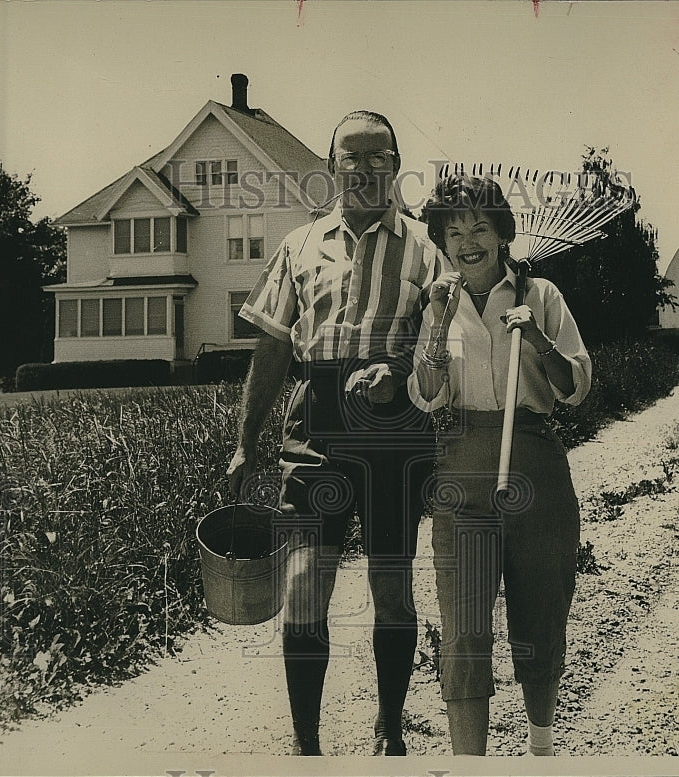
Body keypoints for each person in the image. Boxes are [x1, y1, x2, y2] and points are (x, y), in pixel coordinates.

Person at [226, 110, 440, 756]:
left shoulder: (426, 251)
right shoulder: (300, 246)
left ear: (398, 167)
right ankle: (305, 741)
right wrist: (245, 441)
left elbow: (444, 346)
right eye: (354, 159)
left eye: (381, 159)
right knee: (303, 585)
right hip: (313, 422)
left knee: (391, 584)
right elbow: (268, 349)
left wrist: (398, 375)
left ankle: (392, 727)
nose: (367, 171)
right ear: (331, 169)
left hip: (394, 428)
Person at [409, 174, 592, 756]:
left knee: (540, 613)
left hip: (535, 465)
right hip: (462, 468)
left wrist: (535, 337)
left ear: (502, 235)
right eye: (453, 230)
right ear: (441, 240)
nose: (467, 241)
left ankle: (541, 753)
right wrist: (437, 321)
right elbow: (428, 393)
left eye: (479, 227)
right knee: (464, 634)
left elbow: (576, 387)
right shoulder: (437, 302)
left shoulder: (541, 295)